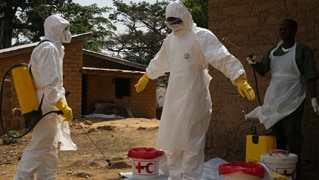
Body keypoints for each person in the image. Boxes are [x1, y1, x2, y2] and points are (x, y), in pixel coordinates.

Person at [134, 1, 255, 179]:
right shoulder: (170, 40)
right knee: (174, 141)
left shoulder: (201, 36)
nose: (173, 26)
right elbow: (160, 59)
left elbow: (220, 55)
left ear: (184, 18)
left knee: (192, 142)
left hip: (194, 96)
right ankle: (175, 176)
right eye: (169, 23)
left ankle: (190, 177)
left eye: (176, 21)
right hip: (174, 97)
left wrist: (238, 77)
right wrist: (148, 74)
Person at [246, 18, 319, 179]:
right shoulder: (273, 51)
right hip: (275, 99)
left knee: (293, 138)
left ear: (294, 30)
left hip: (293, 99)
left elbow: (310, 76)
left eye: (286, 29)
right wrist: (255, 62)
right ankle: (278, 173)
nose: (282, 32)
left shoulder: (302, 51)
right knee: (276, 138)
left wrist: (314, 98)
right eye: (280, 29)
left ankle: (294, 173)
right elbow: (263, 69)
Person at [15, 14, 77, 180]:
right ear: (55, 29)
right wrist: (61, 104)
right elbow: (50, 83)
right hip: (47, 102)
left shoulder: (56, 48)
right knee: (40, 144)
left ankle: (48, 177)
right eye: (65, 28)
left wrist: (61, 102)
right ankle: (21, 177)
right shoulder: (47, 48)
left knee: (49, 146)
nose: (67, 32)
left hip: (51, 100)